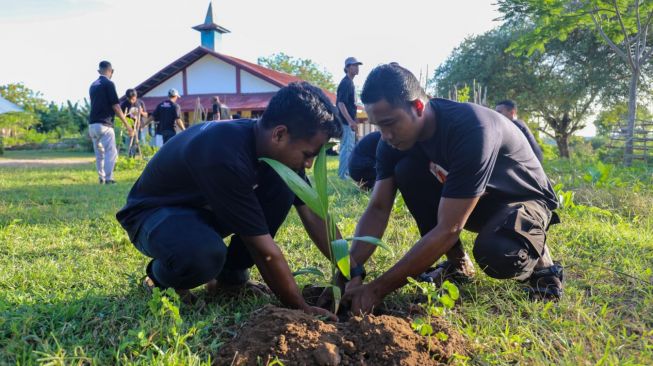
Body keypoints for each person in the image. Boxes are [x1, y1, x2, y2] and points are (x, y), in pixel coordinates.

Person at [341, 64, 563, 314]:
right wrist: (351, 270)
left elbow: (449, 228)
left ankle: (543, 263)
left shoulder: (471, 128)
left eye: (390, 123)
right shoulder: (391, 142)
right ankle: (458, 265)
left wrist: (377, 289)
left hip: (520, 201)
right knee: (407, 170)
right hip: (469, 199)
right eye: (378, 126)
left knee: (498, 253)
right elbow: (379, 209)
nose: (386, 135)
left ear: (418, 107)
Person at [116, 82, 342, 318]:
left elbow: (314, 213)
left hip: (204, 211)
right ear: (279, 134)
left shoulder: (277, 156)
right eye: (308, 155)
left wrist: (350, 270)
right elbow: (264, 250)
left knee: (283, 189)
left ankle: (229, 279)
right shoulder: (224, 153)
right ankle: (159, 278)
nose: (308, 165)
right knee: (203, 255)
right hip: (153, 215)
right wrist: (301, 309)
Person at [88, 60, 134, 184]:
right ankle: (109, 178)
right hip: (104, 124)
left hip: (92, 124)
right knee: (111, 152)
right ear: (111, 71)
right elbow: (116, 106)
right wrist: (127, 125)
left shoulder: (93, 85)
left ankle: (101, 178)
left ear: (99, 71)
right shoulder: (109, 83)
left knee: (99, 154)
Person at [337, 57, 362, 179]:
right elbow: (340, 104)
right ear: (347, 68)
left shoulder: (350, 83)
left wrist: (355, 120)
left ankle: (346, 174)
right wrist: (350, 121)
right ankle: (343, 176)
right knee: (346, 148)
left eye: (358, 65)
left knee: (350, 147)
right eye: (354, 65)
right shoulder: (346, 83)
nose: (357, 67)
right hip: (345, 123)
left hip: (349, 122)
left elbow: (351, 105)